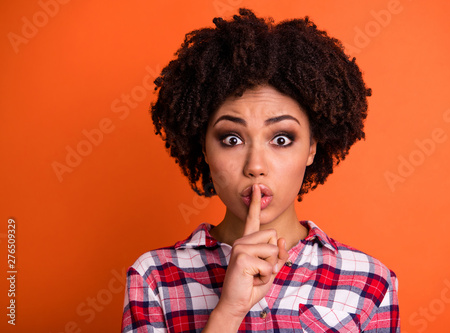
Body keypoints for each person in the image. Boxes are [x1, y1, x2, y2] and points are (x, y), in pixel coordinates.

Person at [121, 8, 400, 333]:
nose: (255, 166)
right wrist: (229, 310)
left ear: (311, 148)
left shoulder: (370, 282)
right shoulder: (155, 277)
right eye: (231, 138)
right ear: (204, 148)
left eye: (281, 139)